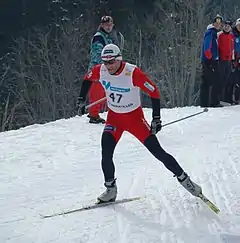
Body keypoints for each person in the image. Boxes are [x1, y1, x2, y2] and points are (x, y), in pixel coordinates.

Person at [77, 44, 202, 203]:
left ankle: (185, 180)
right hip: (114, 118)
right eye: (105, 62)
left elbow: (154, 92)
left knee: (158, 152)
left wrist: (156, 118)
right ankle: (110, 189)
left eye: (112, 62)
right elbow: (87, 78)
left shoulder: (132, 72)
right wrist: (81, 100)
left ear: (119, 59)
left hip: (134, 119)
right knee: (106, 151)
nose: (108, 66)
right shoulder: (100, 70)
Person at [87, 16, 124, 124]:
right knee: (97, 91)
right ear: (102, 25)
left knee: (106, 91)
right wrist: (104, 67)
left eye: (110, 25)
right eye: (106, 25)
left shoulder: (108, 37)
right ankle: (93, 114)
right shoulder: (99, 37)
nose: (108, 27)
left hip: (107, 68)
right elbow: (97, 54)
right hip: (98, 68)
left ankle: (106, 112)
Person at [200, 15, 223, 107]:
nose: (218, 25)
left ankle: (206, 103)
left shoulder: (214, 33)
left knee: (208, 81)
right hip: (209, 61)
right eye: (216, 23)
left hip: (211, 60)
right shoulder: (210, 32)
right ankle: (212, 102)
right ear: (213, 24)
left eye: (219, 23)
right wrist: (209, 58)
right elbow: (207, 47)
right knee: (214, 81)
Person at [217, 20, 234, 103]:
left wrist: (233, 58)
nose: (227, 27)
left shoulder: (231, 36)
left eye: (228, 26)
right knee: (221, 80)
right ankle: (219, 98)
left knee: (228, 80)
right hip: (222, 60)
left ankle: (226, 98)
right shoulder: (220, 35)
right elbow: (219, 47)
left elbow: (232, 48)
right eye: (225, 25)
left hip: (229, 61)